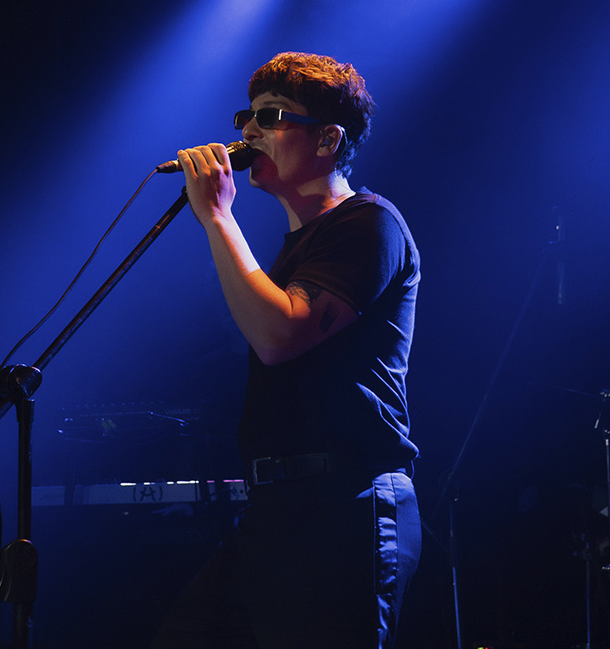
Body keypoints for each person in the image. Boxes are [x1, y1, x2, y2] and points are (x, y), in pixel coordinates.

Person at [150, 52, 421, 648]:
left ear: (328, 139)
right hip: (278, 510)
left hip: (345, 504)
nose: (249, 130)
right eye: (247, 116)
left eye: (272, 116)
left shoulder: (369, 224)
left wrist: (217, 217)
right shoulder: (296, 246)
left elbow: (279, 337)